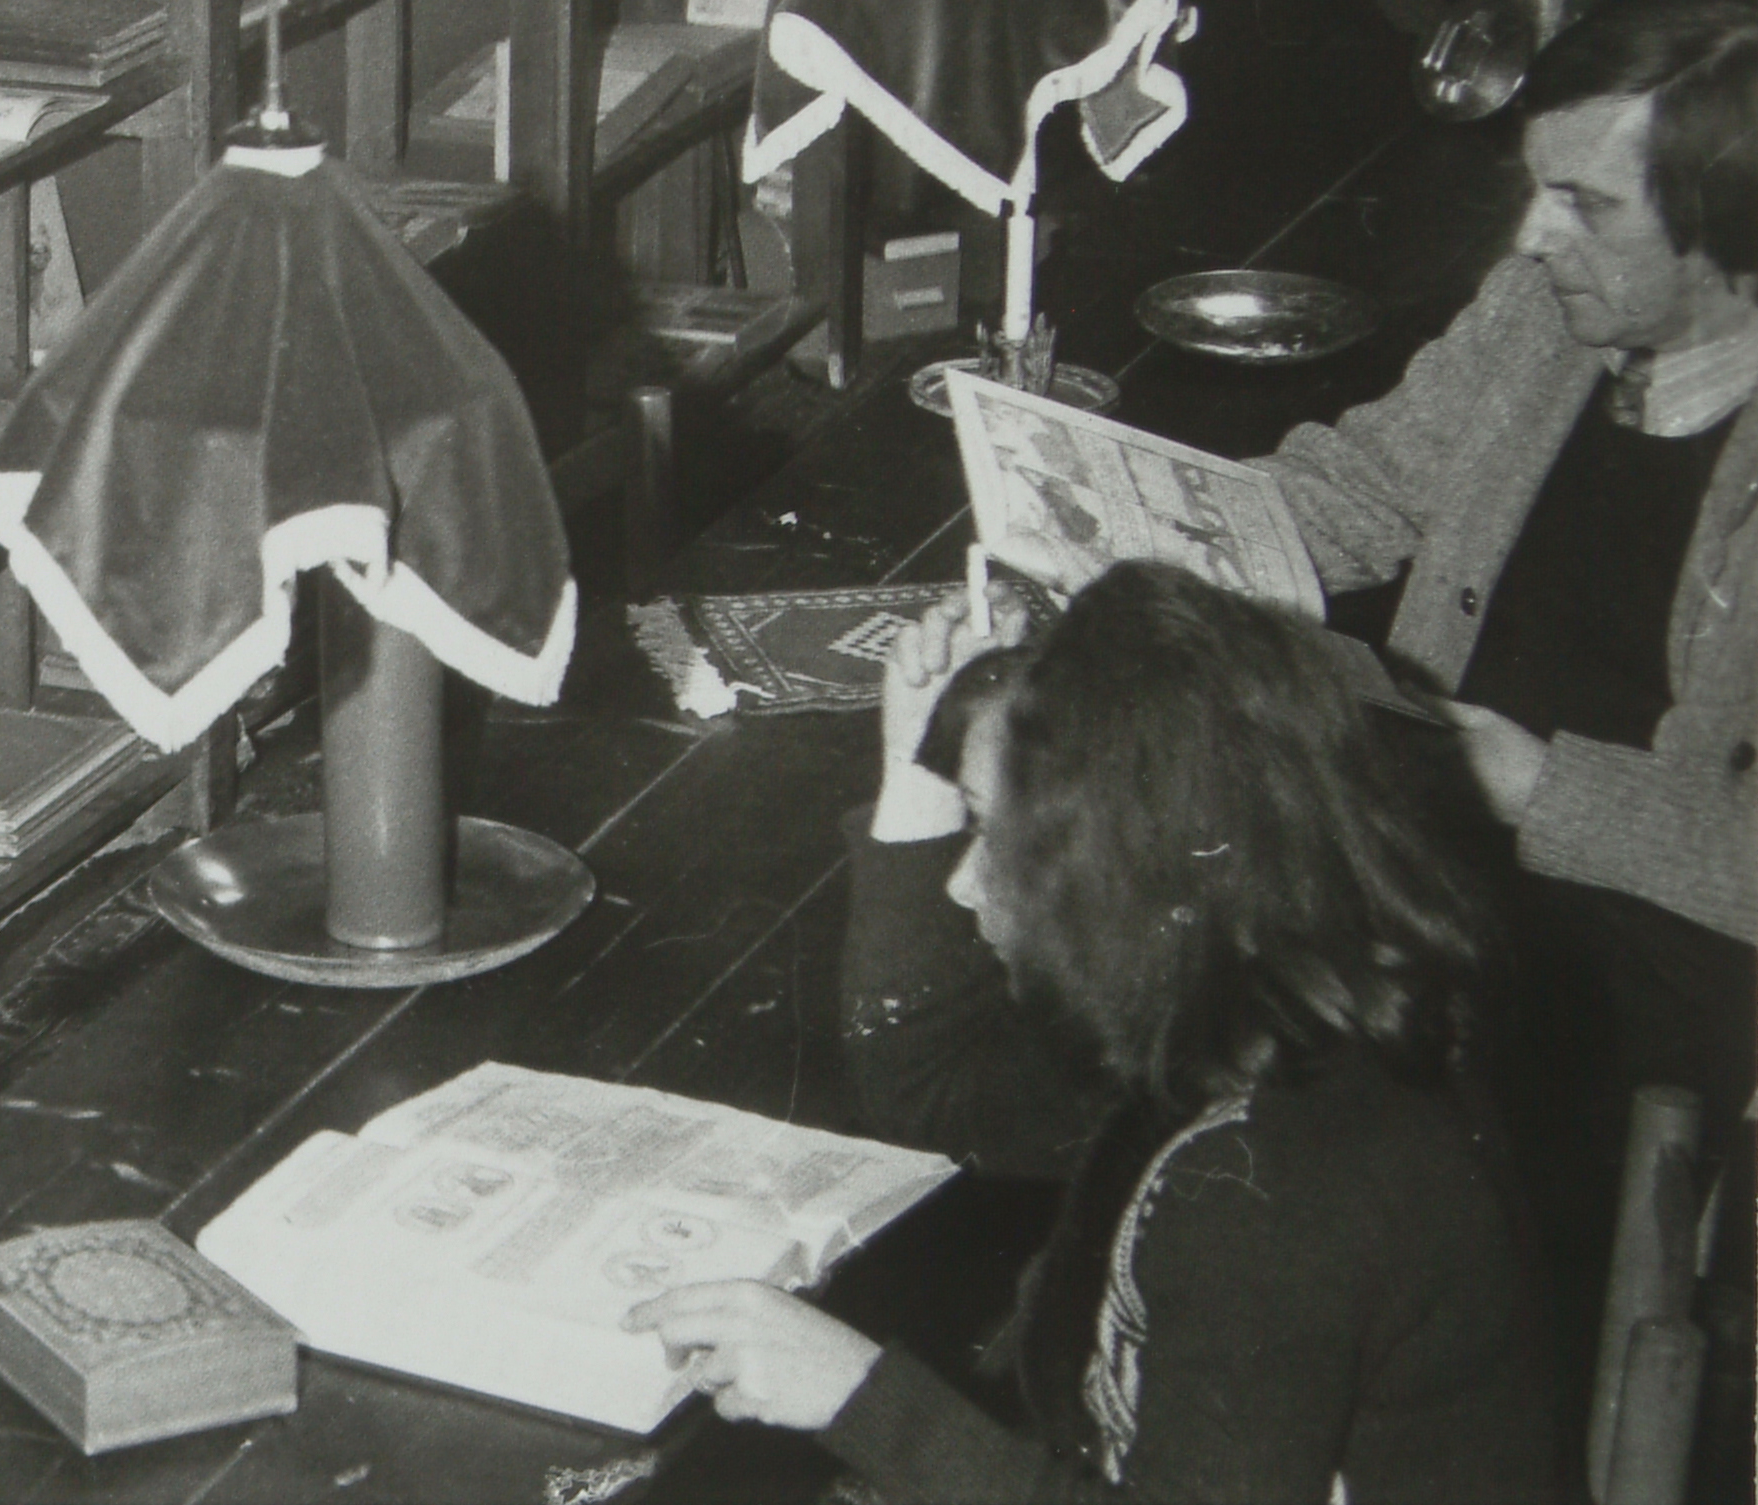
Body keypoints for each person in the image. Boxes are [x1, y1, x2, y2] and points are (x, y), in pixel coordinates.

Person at [626, 561, 1566, 1502]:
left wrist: (858, 1396)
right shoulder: (1253, 981)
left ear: (1126, 881)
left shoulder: (1270, 1190)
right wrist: (922, 771)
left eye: (992, 834)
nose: (961, 881)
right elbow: (930, 1093)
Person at [1252, 0, 1758, 1123]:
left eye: (1585, 204)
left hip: (1649, 949)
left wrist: (1533, 786)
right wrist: (1154, 521)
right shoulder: (1542, 312)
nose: (1531, 235)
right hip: (1440, 853)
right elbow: (1368, 482)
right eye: (1537, 188)